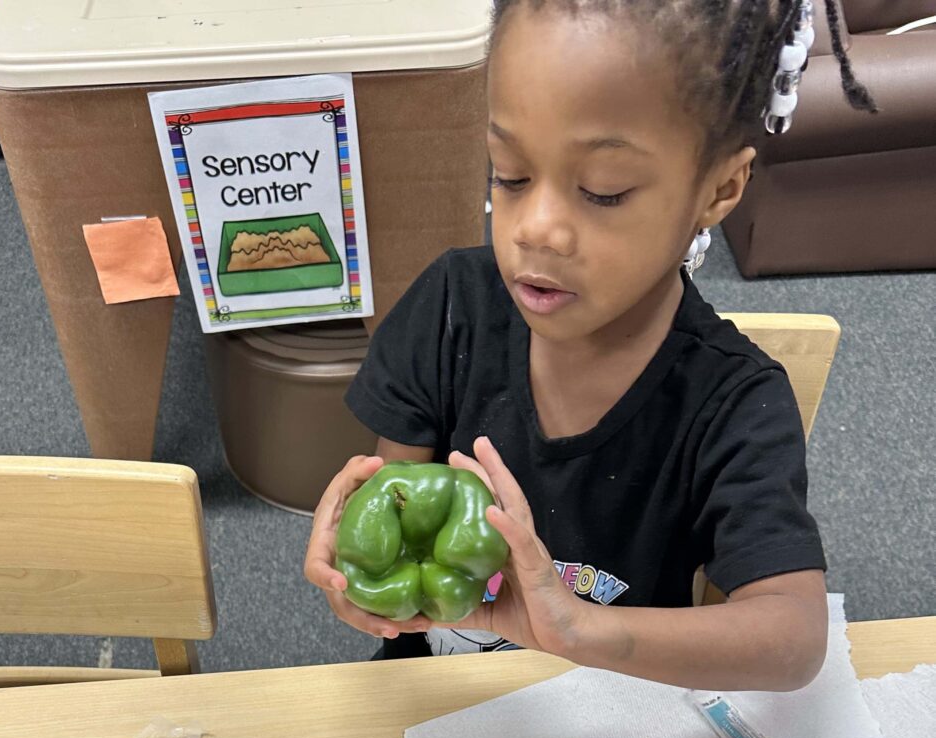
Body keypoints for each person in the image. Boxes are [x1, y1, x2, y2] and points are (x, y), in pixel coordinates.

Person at [303, 0, 875, 690]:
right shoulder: (451, 308)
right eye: (509, 174)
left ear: (720, 188)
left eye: (603, 192)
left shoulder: (732, 402)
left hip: (614, 725)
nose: (535, 229)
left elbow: (792, 639)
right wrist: (357, 575)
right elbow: (393, 517)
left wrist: (575, 626)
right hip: (436, 703)